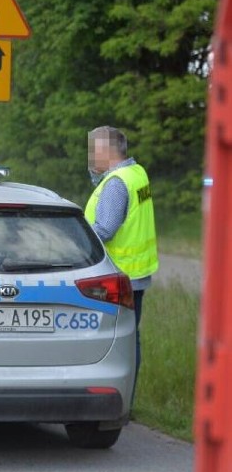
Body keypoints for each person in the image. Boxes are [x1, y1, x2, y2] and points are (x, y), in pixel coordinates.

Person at [84, 126, 159, 394]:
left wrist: (77, 239)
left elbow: (104, 229)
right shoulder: (137, 173)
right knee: (130, 339)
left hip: (118, 274)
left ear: (105, 150)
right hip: (136, 273)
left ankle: (122, 399)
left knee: (119, 341)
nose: (90, 158)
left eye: (93, 151)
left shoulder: (116, 183)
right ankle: (129, 396)